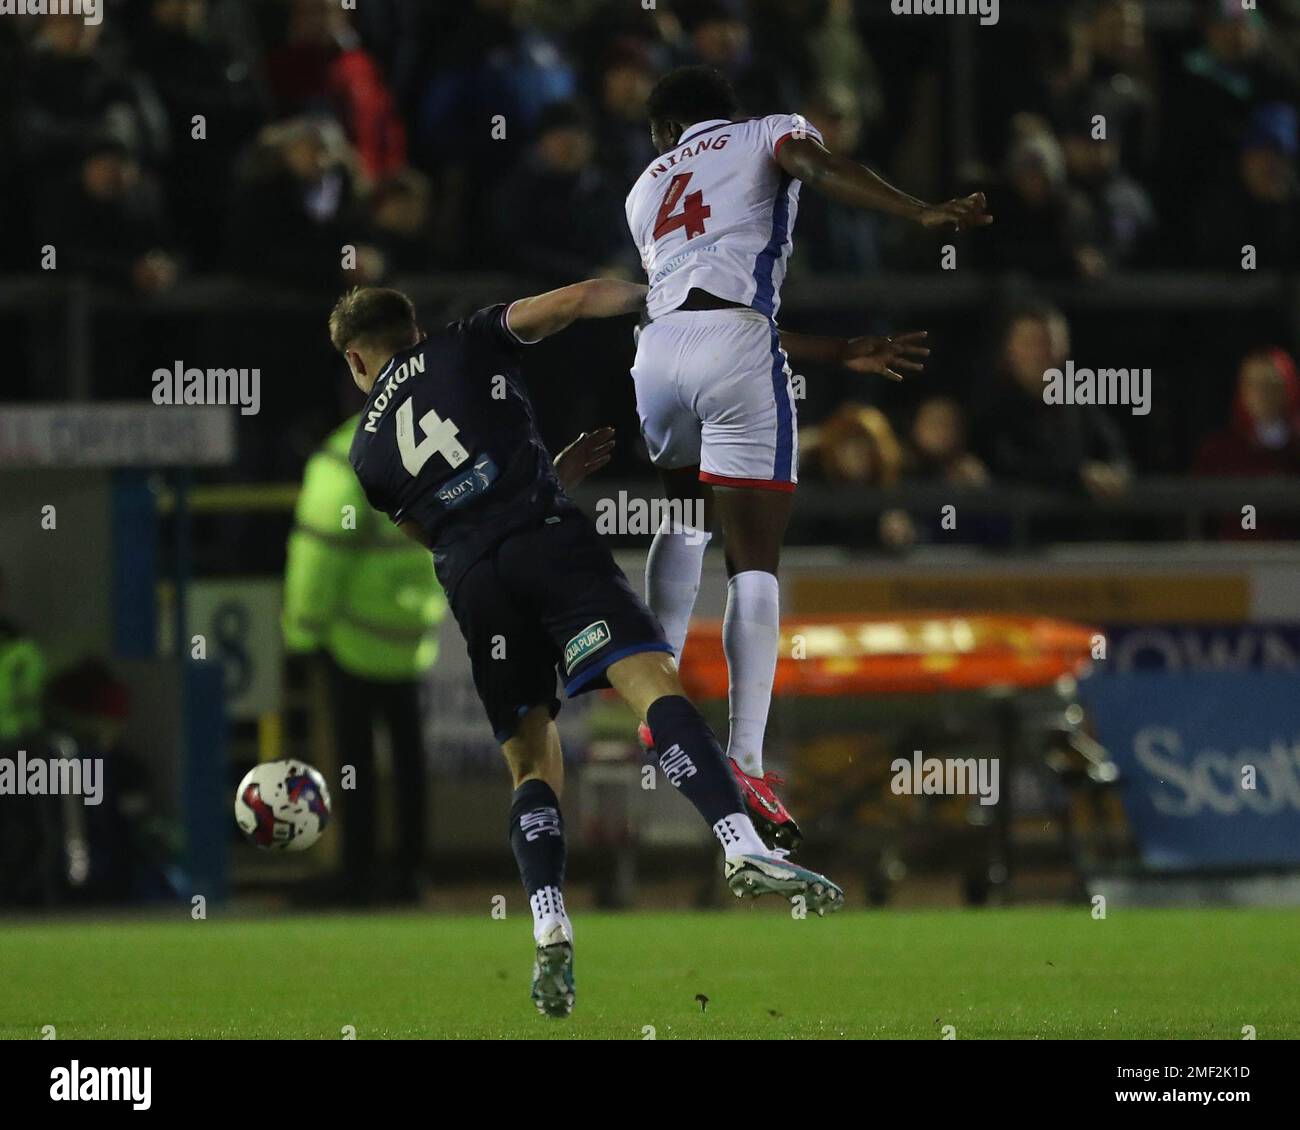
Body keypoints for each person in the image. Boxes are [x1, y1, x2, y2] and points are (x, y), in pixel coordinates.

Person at [329, 281, 844, 1019]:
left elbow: (443, 527)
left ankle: (547, 921)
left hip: (477, 583)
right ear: (412, 328)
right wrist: (663, 298)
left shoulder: (365, 453)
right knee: (651, 679)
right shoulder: (466, 339)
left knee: (531, 761)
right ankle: (736, 841)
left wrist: (541, 475)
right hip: (548, 543)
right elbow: (576, 301)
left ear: (355, 360)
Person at [623, 65, 982, 848]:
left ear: (664, 131)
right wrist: (915, 210)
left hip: (655, 354)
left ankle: (653, 693)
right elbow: (817, 168)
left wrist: (836, 350)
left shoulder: (644, 188)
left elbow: (700, 305)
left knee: (683, 518)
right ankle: (745, 753)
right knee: (754, 560)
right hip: (737, 343)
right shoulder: (765, 130)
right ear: (726, 112)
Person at [282, 414, 447, 903]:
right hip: (411, 633)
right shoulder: (429, 440)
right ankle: (410, 873)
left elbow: (320, 553)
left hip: (351, 637)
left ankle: (357, 872)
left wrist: (301, 633)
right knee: (408, 760)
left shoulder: (343, 456)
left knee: (353, 760)